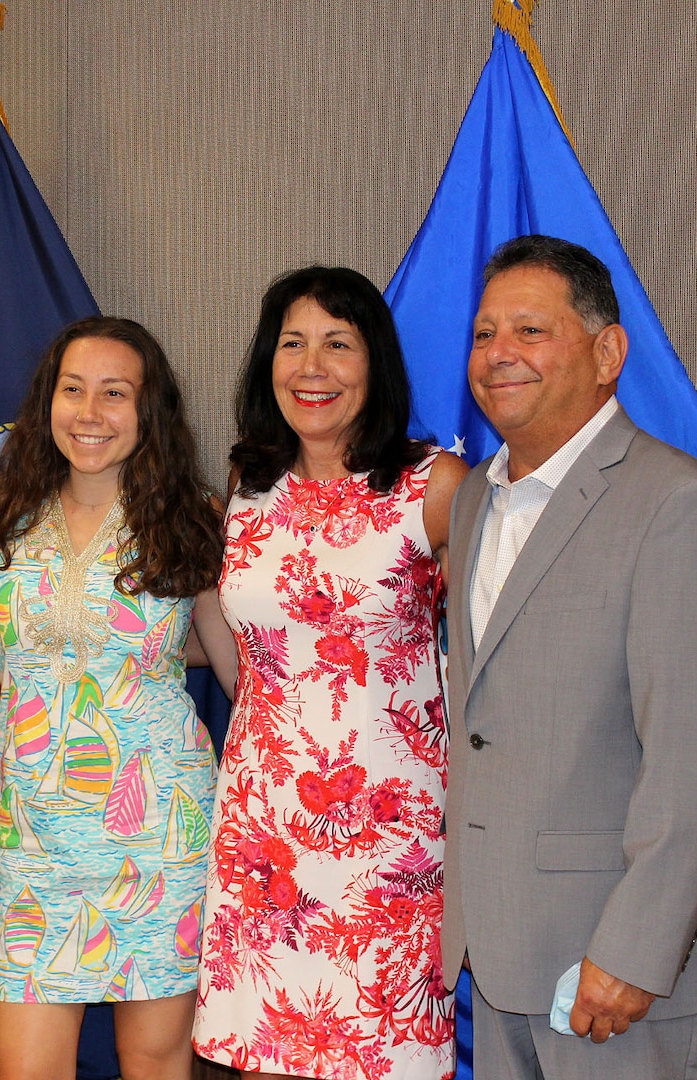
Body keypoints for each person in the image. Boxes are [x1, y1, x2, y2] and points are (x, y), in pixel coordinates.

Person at [444, 235, 697, 1079]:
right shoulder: (477, 495)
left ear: (608, 352)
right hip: (499, 950)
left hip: (614, 970)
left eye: (530, 330)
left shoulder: (678, 506)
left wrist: (634, 951)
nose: (498, 353)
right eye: (482, 334)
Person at [194, 266, 466, 1080]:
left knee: (384, 1056)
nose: (311, 367)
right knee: (270, 1056)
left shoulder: (435, 487)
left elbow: (503, 643)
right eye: (293, 343)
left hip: (391, 833)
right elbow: (231, 645)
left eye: (337, 344)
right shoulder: (247, 489)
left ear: (374, 362)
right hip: (264, 829)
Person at [0, 316, 233, 1080]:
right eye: (73, 390)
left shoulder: (193, 522)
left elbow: (235, 668)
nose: (90, 413)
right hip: (33, 843)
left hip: (157, 839)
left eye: (116, 394)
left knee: (151, 1062)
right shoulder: (2, 518)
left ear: (149, 412)